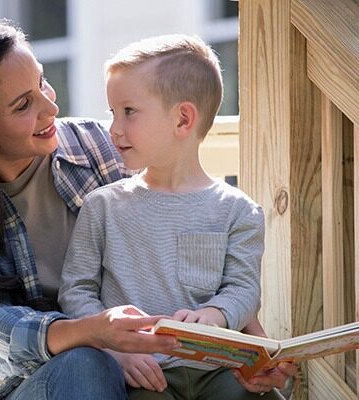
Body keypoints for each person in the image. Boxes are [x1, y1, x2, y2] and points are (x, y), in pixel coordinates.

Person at [0, 18, 294, 400]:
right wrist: (102, 340)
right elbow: (8, 336)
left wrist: (251, 349)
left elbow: (195, 253)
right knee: (87, 364)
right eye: (23, 105)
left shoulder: (100, 147)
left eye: (42, 83)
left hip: (147, 366)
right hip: (47, 383)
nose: (51, 107)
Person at [58, 35, 288, 400]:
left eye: (129, 112)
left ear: (183, 119)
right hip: (143, 374)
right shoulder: (101, 206)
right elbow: (76, 291)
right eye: (111, 113)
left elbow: (243, 288)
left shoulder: (239, 211)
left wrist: (216, 313)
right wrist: (114, 350)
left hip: (218, 369)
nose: (114, 129)